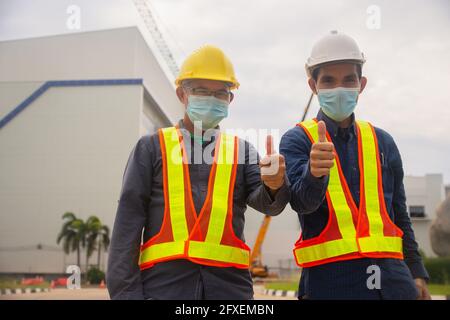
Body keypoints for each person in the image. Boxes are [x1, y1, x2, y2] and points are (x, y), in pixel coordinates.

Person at [107, 45, 290, 300]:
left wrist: (274, 184)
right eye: (201, 91)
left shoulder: (242, 151)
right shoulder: (151, 148)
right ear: (182, 94)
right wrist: (127, 295)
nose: (212, 99)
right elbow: (127, 227)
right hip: (164, 288)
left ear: (230, 100)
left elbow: (271, 206)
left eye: (220, 93)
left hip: (230, 291)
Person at [280, 31, 430, 300]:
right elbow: (301, 203)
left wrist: (416, 272)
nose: (339, 88)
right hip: (330, 284)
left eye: (348, 80)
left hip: (394, 284)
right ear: (313, 86)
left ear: (361, 84)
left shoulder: (383, 142)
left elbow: (399, 215)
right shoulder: (297, 140)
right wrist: (314, 175)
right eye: (328, 80)